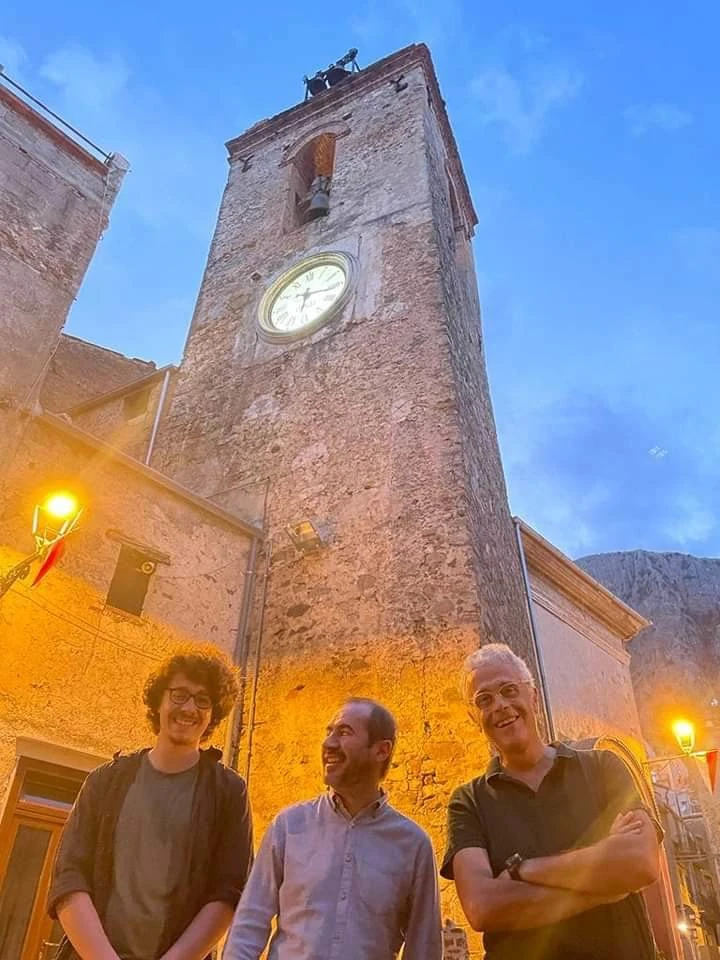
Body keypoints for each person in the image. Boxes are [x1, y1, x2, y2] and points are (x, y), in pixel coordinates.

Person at [441, 643, 661, 960]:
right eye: (484, 700)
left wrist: (522, 871)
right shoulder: (469, 801)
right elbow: (482, 907)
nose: (500, 705)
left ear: (533, 696)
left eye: (508, 690)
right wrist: (603, 886)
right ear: (473, 717)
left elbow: (641, 862)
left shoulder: (603, 767)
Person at [49, 647, 254, 960]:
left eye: (203, 700)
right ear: (159, 700)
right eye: (179, 694)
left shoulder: (228, 792)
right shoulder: (105, 781)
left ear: (214, 714)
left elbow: (229, 891)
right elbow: (69, 876)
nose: (189, 708)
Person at [223, 697, 442, 960]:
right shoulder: (289, 827)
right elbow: (249, 925)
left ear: (382, 750)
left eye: (344, 732)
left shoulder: (413, 845)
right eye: (329, 732)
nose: (329, 743)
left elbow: (424, 948)